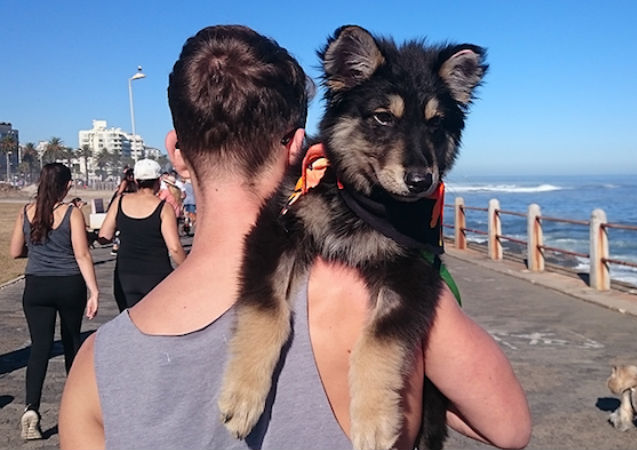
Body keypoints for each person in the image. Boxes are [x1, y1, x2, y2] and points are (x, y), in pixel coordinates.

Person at [59, 25, 530, 449]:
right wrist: (419, 375)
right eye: (384, 119)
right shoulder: (369, 292)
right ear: (298, 145)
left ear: (175, 153)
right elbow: (509, 428)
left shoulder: (94, 367)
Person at [8, 162, 99, 440]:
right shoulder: (71, 213)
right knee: (72, 343)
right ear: (67, 185)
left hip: (36, 286)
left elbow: (14, 252)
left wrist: (38, 254)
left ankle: (31, 410)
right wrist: (94, 290)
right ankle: (76, 411)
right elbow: (82, 254)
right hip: (68, 284)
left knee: (39, 348)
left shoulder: (26, 211)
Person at [98, 158, 186, 312]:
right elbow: (175, 248)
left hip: (125, 277)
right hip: (156, 276)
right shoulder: (164, 208)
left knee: (129, 326)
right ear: (158, 181)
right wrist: (187, 269)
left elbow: (104, 236)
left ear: (137, 181)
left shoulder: (119, 202)